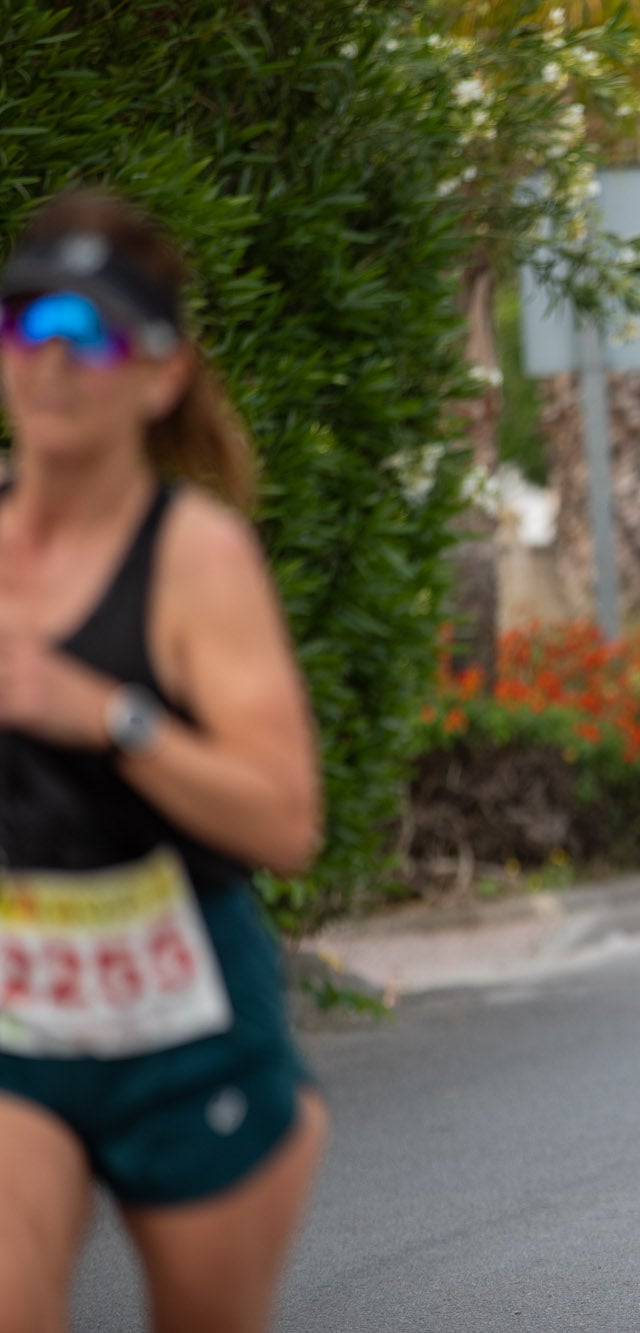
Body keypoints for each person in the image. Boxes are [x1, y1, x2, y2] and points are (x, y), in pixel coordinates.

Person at [0, 189, 328, 1332]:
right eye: (27, 325)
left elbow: (284, 821)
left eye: (90, 333)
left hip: (182, 1016)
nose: (54, 361)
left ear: (159, 372)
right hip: (18, 1016)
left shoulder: (197, 558)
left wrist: (102, 712)